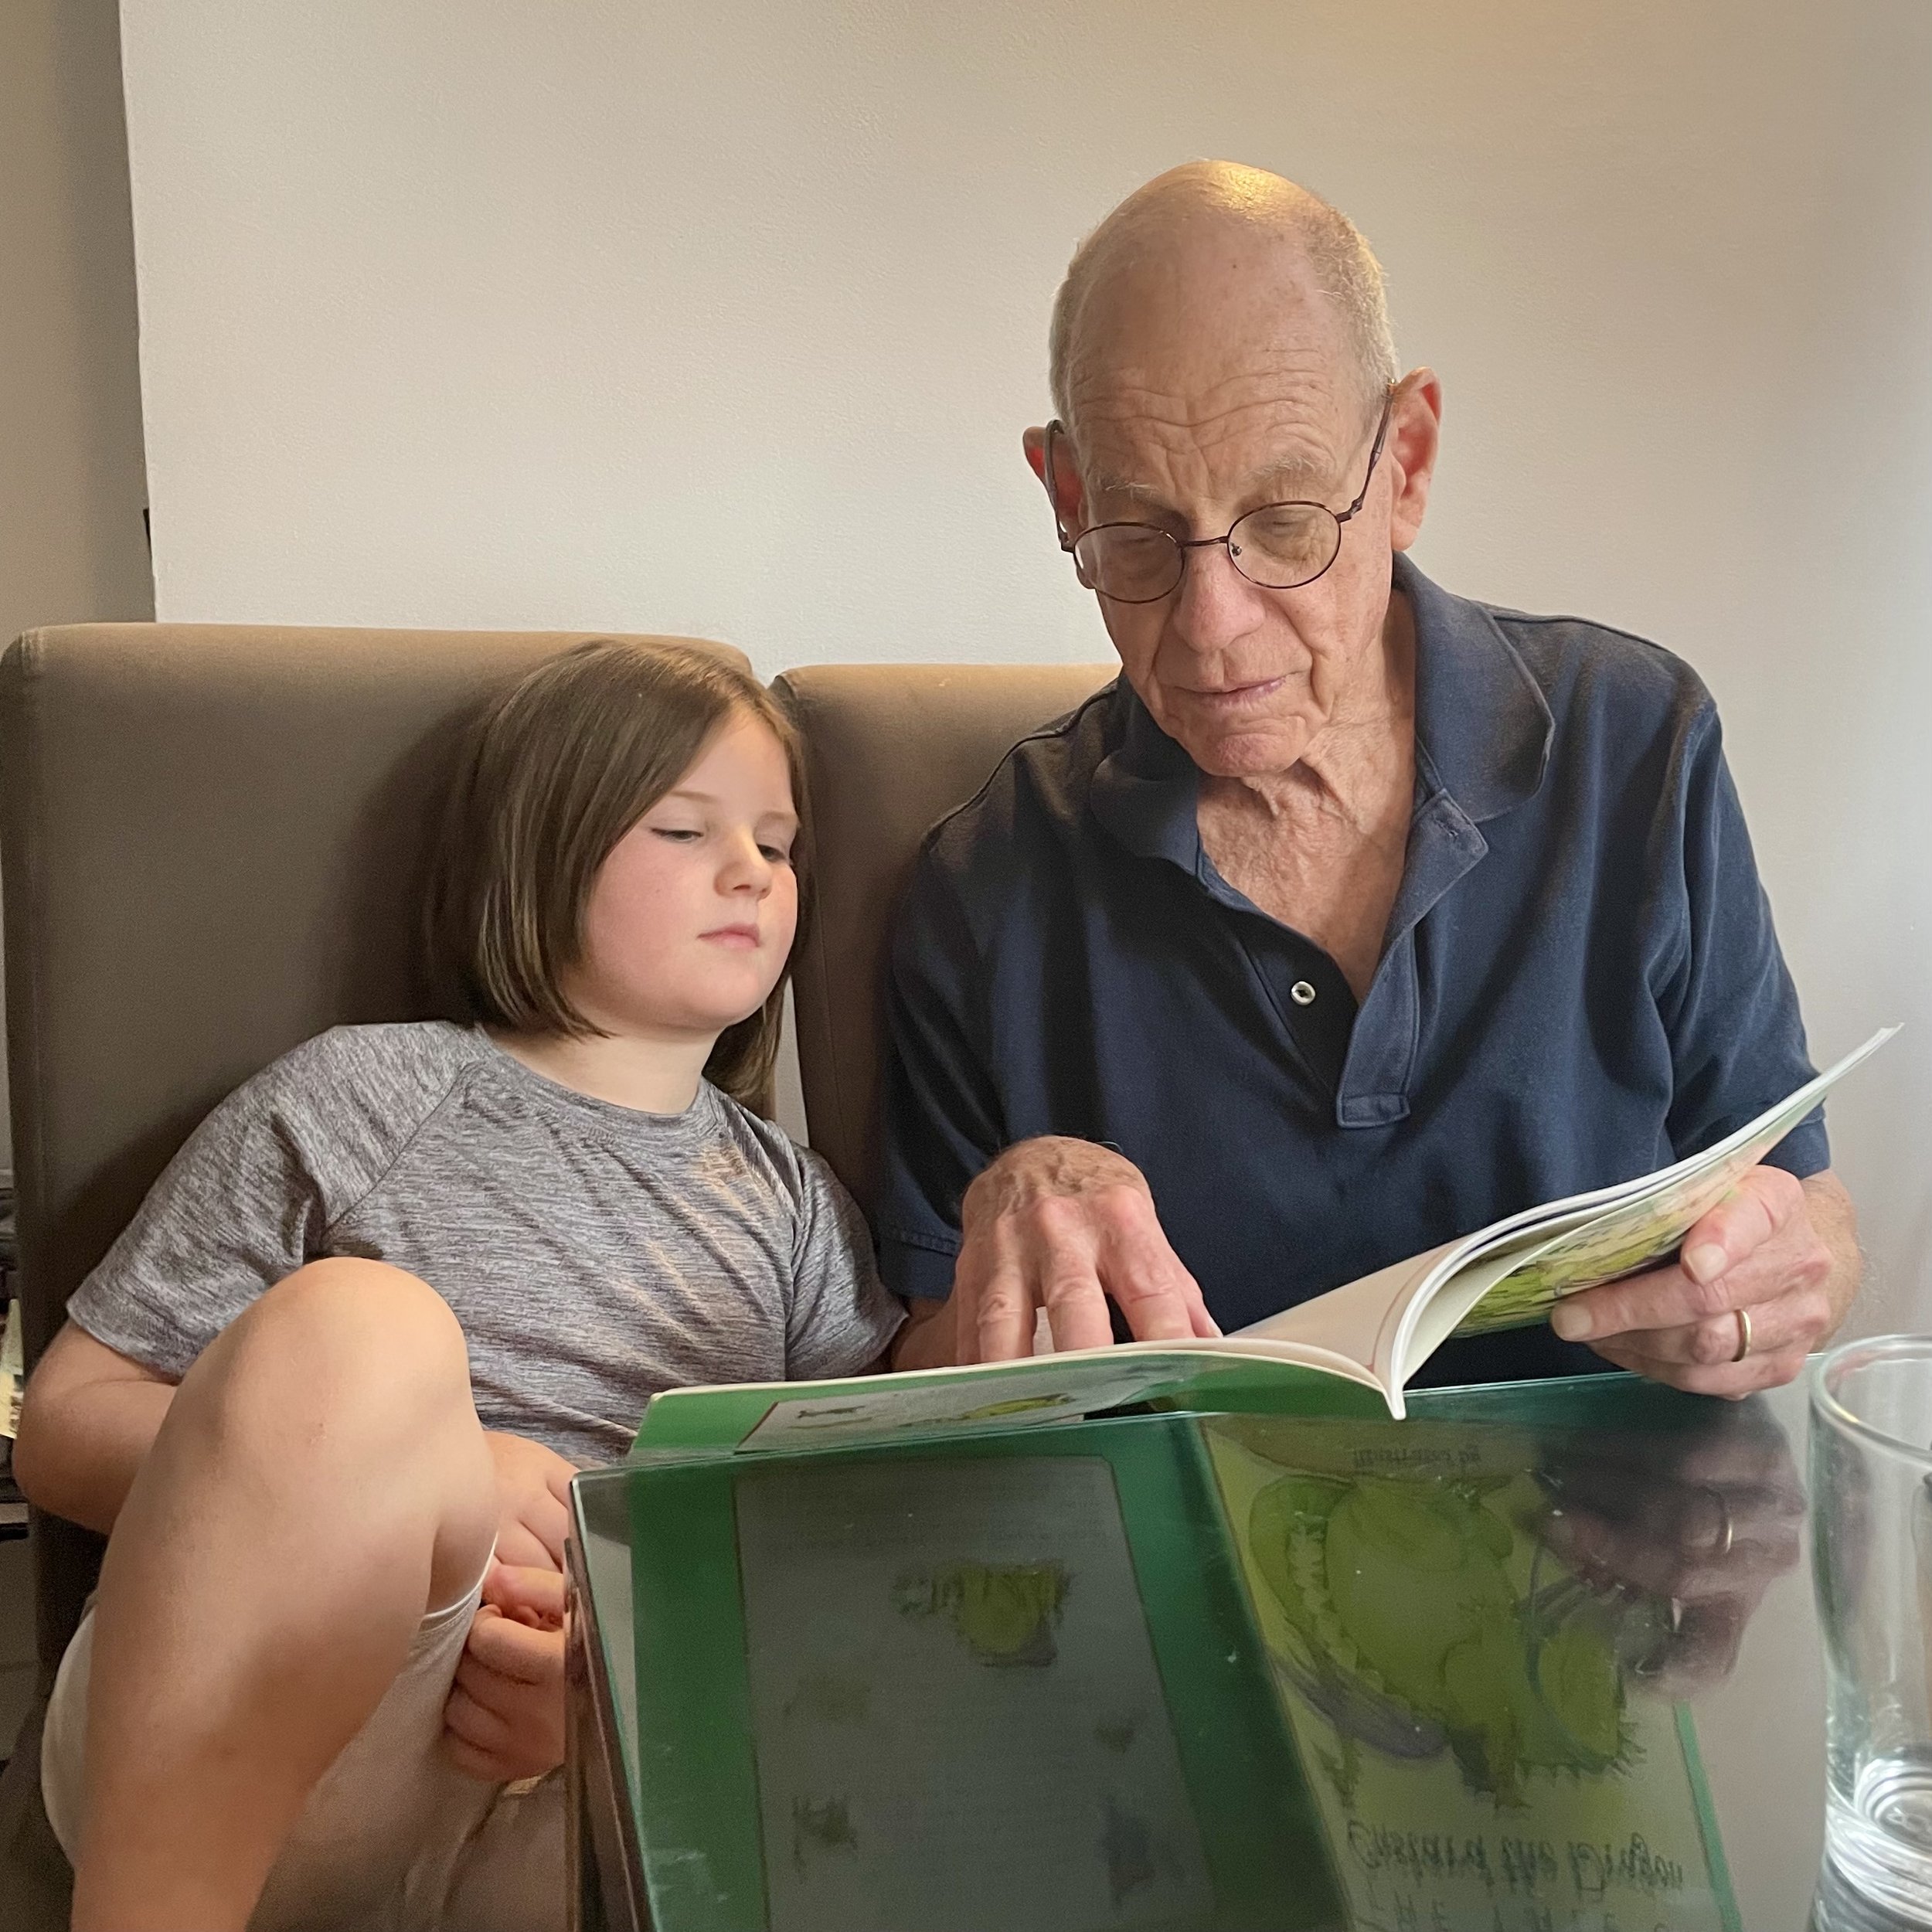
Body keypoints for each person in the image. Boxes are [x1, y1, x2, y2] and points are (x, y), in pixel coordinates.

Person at [884, 161, 1856, 1396]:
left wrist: (1779, 1279)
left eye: (1286, 521)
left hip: (1609, 1548)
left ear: (1405, 462)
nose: (1211, 627)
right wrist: (997, 1238)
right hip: (1198, 1560)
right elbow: (913, 1363)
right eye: (1133, 533)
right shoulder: (982, 883)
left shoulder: (1637, 740)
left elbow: (1800, 1195)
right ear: (1066, 492)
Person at [13, 640, 903, 1932]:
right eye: (682, 827)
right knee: (362, 1332)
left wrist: (617, 1690)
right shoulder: (363, 1097)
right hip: (263, 1764)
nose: (752, 875)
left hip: (575, 1798)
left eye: (779, 845)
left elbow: (834, 1547)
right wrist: (437, 1473)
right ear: (542, 852)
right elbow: (64, 1419)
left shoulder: (798, 1208)